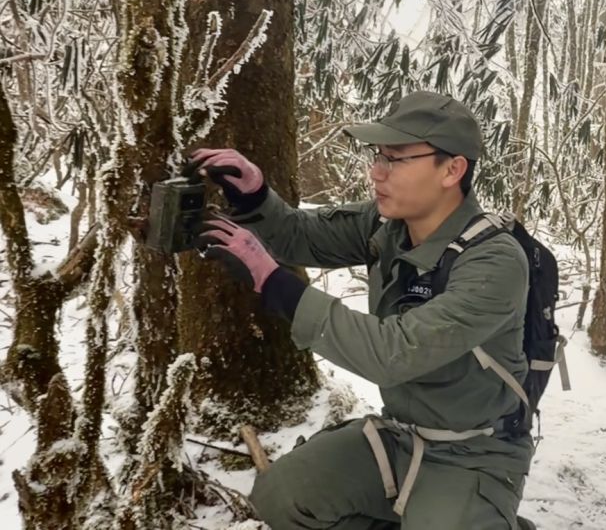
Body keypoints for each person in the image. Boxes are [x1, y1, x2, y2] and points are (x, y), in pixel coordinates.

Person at [191, 91, 535, 530]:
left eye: (396, 159)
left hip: (474, 453)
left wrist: (274, 283)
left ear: (452, 170)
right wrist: (254, 199)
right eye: (378, 156)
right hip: (399, 437)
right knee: (281, 497)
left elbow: (394, 353)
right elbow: (301, 235)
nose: (377, 171)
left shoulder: (495, 261)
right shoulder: (387, 226)